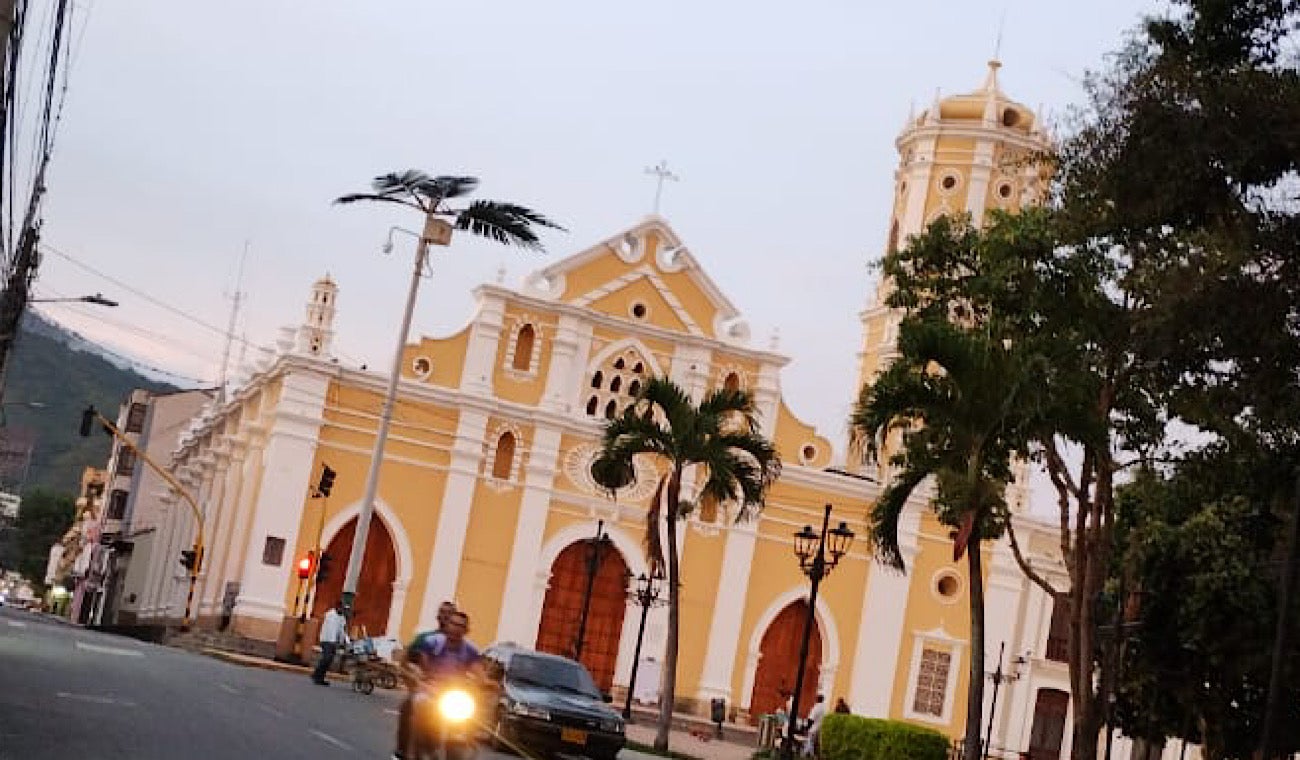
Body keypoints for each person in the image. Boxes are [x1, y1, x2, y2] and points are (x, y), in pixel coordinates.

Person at [393, 601, 457, 760]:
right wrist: (411, 679)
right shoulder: (425, 638)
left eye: (450, 613)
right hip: (426, 692)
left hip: (449, 696)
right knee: (407, 706)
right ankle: (401, 750)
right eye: (443, 612)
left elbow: (472, 671)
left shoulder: (462, 646)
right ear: (438, 616)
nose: (446, 616)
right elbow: (406, 660)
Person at [311, 601, 348, 686]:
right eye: (342, 608)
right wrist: (333, 641)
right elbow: (330, 630)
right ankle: (317, 676)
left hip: (333, 642)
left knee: (329, 660)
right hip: (327, 640)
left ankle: (319, 676)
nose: (343, 610)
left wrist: (343, 641)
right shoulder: (330, 615)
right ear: (338, 607)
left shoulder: (342, 618)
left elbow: (342, 631)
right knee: (326, 658)